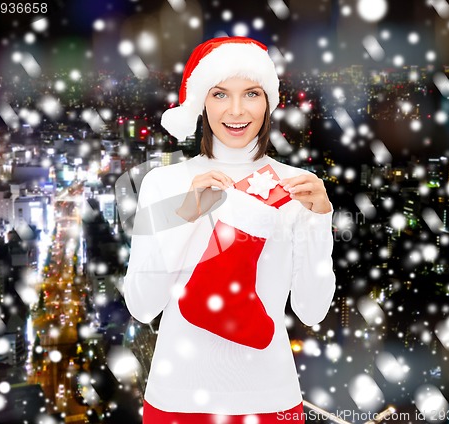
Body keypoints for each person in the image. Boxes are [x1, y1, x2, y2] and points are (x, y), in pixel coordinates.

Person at [123, 36, 336, 424]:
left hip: (271, 398)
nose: (237, 110)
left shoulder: (297, 185)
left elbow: (312, 309)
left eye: (251, 93)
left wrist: (320, 221)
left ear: (268, 100)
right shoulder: (163, 183)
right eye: (220, 94)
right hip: (176, 399)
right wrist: (184, 215)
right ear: (201, 101)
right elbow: (141, 305)